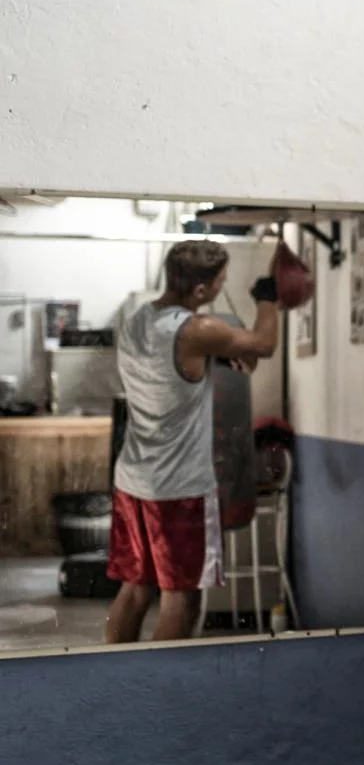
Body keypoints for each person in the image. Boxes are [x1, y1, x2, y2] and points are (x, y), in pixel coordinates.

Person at [105, 239, 281, 644]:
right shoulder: (198, 330)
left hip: (133, 479)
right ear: (200, 290)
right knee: (181, 600)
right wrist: (267, 299)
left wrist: (214, 356)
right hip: (178, 488)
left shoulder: (136, 319)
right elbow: (264, 345)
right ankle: (165, 695)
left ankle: (115, 682)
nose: (221, 288)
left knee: (135, 588)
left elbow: (171, 369)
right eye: (219, 282)